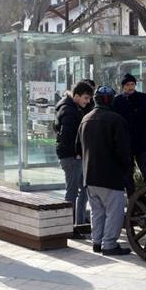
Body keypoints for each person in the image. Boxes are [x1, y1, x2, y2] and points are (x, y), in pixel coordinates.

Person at [76, 86, 133, 256]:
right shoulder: (116, 120)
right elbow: (123, 152)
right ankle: (109, 245)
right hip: (111, 175)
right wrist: (127, 172)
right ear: (110, 100)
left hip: (90, 175)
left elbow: (77, 148)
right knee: (114, 212)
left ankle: (97, 242)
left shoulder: (85, 119)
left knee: (97, 211)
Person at [53, 81, 94, 238]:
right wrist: (77, 152)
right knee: (72, 191)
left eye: (89, 98)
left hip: (74, 155)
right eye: (85, 98)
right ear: (76, 96)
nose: (87, 101)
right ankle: (68, 227)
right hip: (71, 156)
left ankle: (78, 222)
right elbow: (67, 135)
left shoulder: (70, 106)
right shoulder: (69, 110)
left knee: (82, 188)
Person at [113, 73, 146, 195]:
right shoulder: (117, 101)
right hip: (125, 143)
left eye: (132, 84)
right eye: (127, 84)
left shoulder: (143, 98)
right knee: (127, 174)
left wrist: (143, 130)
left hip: (141, 141)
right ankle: (132, 200)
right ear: (123, 86)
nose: (130, 87)